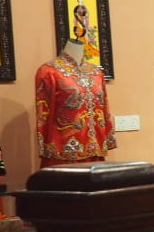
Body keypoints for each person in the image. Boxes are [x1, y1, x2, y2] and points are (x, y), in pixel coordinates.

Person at [34, 38, 116, 167]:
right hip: (63, 150)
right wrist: (44, 146)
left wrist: (108, 138)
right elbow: (43, 113)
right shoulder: (49, 71)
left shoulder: (96, 72)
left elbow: (104, 106)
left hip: (95, 149)